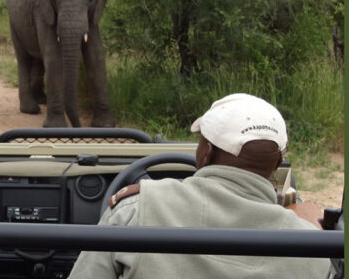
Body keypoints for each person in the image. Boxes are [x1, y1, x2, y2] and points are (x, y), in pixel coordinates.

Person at [69, 93, 332, 278]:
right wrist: (310, 230)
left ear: (205, 153)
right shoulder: (313, 251)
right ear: (277, 163)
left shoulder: (135, 211)